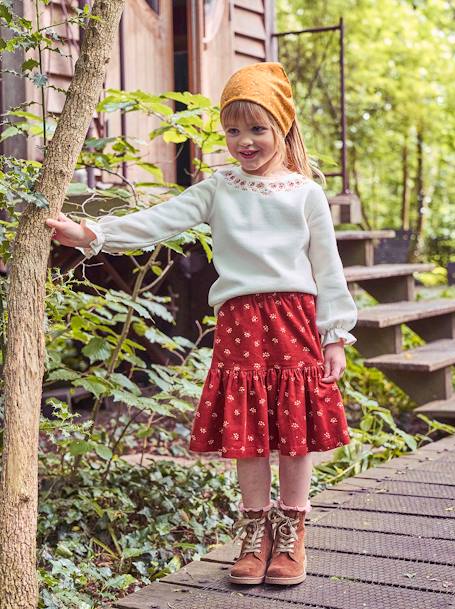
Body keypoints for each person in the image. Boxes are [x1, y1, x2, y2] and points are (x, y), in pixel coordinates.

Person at [46, 61, 357, 587]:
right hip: (240, 321)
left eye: (257, 129)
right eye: (233, 130)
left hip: (295, 320)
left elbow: (328, 268)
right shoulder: (219, 188)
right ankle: (255, 533)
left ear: (283, 127)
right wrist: (91, 232)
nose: (245, 141)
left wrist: (335, 336)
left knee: (294, 433)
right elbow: (158, 220)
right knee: (250, 432)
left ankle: (291, 534)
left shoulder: (305, 193)